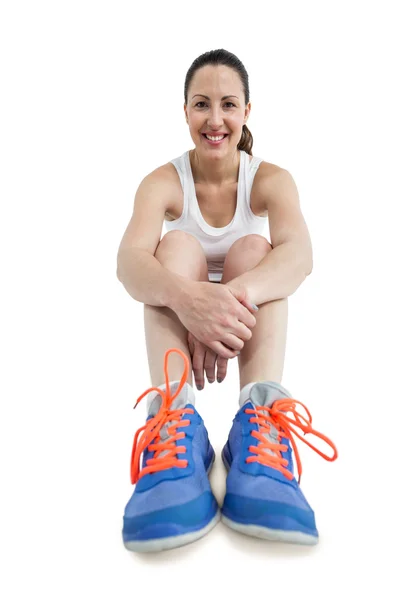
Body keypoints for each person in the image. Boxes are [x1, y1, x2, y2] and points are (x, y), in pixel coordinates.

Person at [117, 49, 338, 553]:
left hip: (239, 324)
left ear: (247, 111)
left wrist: (222, 305)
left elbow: (301, 257)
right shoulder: (161, 182)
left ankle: (259, 423)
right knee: (169, 250)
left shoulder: (271, 179)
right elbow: (127, 264)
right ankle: (174, 423)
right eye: (201, 105)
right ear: (185, 111)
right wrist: (188, 300)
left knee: (259, 251)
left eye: (228, 105)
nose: (215, 120)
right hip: (185, 326)